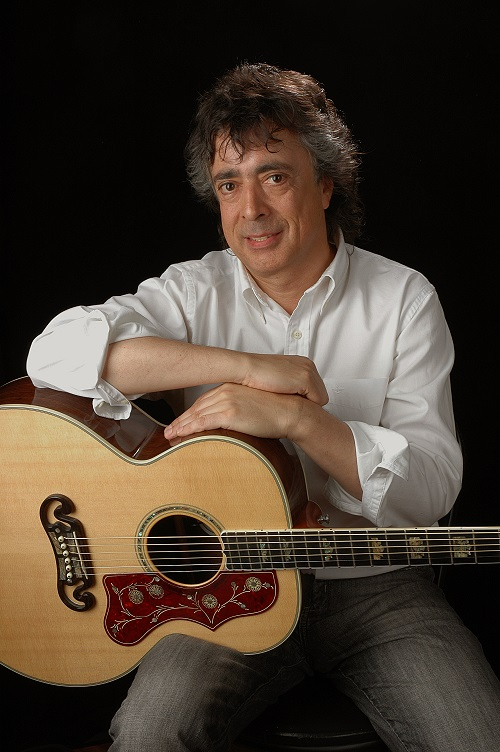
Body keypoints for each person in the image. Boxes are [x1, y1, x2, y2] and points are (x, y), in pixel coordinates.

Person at [26, 62, 500, 752]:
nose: (250, 208)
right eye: (229, 183)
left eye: (273, 176)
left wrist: (298, 420)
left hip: (378, 584)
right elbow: (53, 354)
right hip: (225, 585)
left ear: (326, 183)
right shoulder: (191, 292)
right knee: (150, 733)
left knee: (476, 736)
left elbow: (432, 490)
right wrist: (245, 368)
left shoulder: (404, 299)